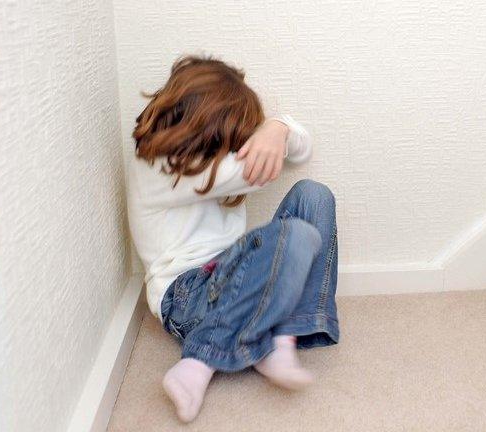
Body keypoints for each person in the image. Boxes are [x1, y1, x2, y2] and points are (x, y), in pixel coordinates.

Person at [127, 56, 339, 423]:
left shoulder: (214, 161)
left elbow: (302, 146)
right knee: (297, 235)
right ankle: (200, 359)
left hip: (230, 273)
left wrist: (275, 128)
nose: (242, 142)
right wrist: (277, 130)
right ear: (210, 126)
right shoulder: (159, 167)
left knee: (314, 196)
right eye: (237, 133)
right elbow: (269, 163)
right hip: (186, 296)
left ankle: (282, 336)